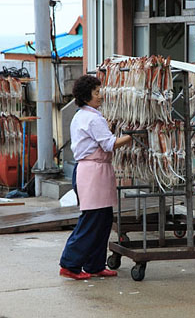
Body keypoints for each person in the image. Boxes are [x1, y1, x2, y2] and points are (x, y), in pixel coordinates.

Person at [59, 75, 132, 280]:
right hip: (92, 172)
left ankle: (95, 264)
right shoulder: (92, 117)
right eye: (96, 92)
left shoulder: (84, 115)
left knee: (103, 220)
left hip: (96, 170)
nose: (100, 96)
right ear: (86, 95)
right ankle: (70, 264)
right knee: (91, 220)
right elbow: (109, 144)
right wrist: (132, 136)